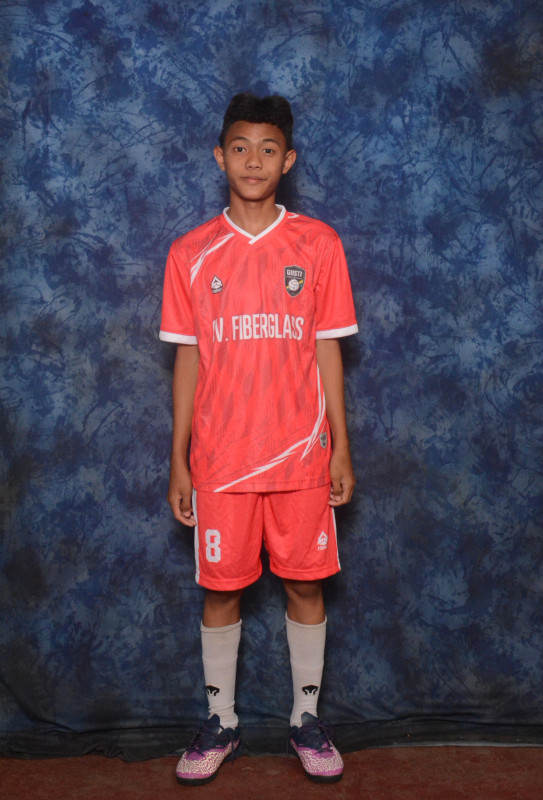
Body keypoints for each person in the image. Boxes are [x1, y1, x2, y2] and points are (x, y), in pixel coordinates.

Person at [159, 92, 358, 786]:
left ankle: (306, 719)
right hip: (220, 460)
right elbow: (187, 359)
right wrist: (179, 458)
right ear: (219, 157)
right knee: (222, 592)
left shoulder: (318, 244)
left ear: (288, 160)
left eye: (268, 149)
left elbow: (328, 348)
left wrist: (340, 445)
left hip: (301, 456)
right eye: (240, 148)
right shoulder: (190, 253)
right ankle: (222, 721)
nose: (253, 160)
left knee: (306, 584)